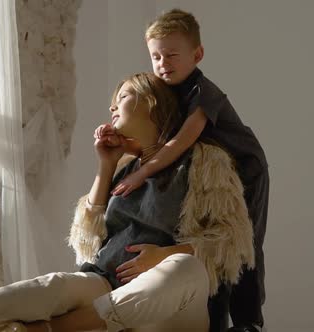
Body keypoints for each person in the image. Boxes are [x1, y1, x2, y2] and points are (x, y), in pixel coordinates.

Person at [0, 72, 254, 332]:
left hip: (173, 306)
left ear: (151, 103)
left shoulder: (206, 162)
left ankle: (51, 329)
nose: (112, 109)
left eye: (122, 98)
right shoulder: (124, 168)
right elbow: (87, 246)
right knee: (54, 285)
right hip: (107, 286)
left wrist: (163, 255)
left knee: (184, 269)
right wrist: (105, 166)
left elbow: (232, 241)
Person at [101, 9, 270, 332]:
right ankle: (213, 320)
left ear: (197, 54)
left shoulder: (204, 93)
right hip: (207, 172)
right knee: (198, 239)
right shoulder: (167, 91)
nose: (163, 63)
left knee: (241, 244)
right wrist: (119, 142)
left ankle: (249, 322)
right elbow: (155, 133)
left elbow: (179, 142)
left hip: (246, 170)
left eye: (172, 55)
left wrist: (141, 173)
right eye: (156, 56)